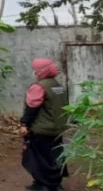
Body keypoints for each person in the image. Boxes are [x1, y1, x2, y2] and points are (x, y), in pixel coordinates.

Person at [20, 58, 69, 191]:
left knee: (40, 157)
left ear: (41, 70)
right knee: (56, 156)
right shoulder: (58, 85)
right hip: (58, 128)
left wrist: (24, 124)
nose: (34, 72)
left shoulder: (39, 86)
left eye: (35, 69)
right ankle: (55, 183)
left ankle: (44, 185)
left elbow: (32, 108)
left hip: (42, 129)